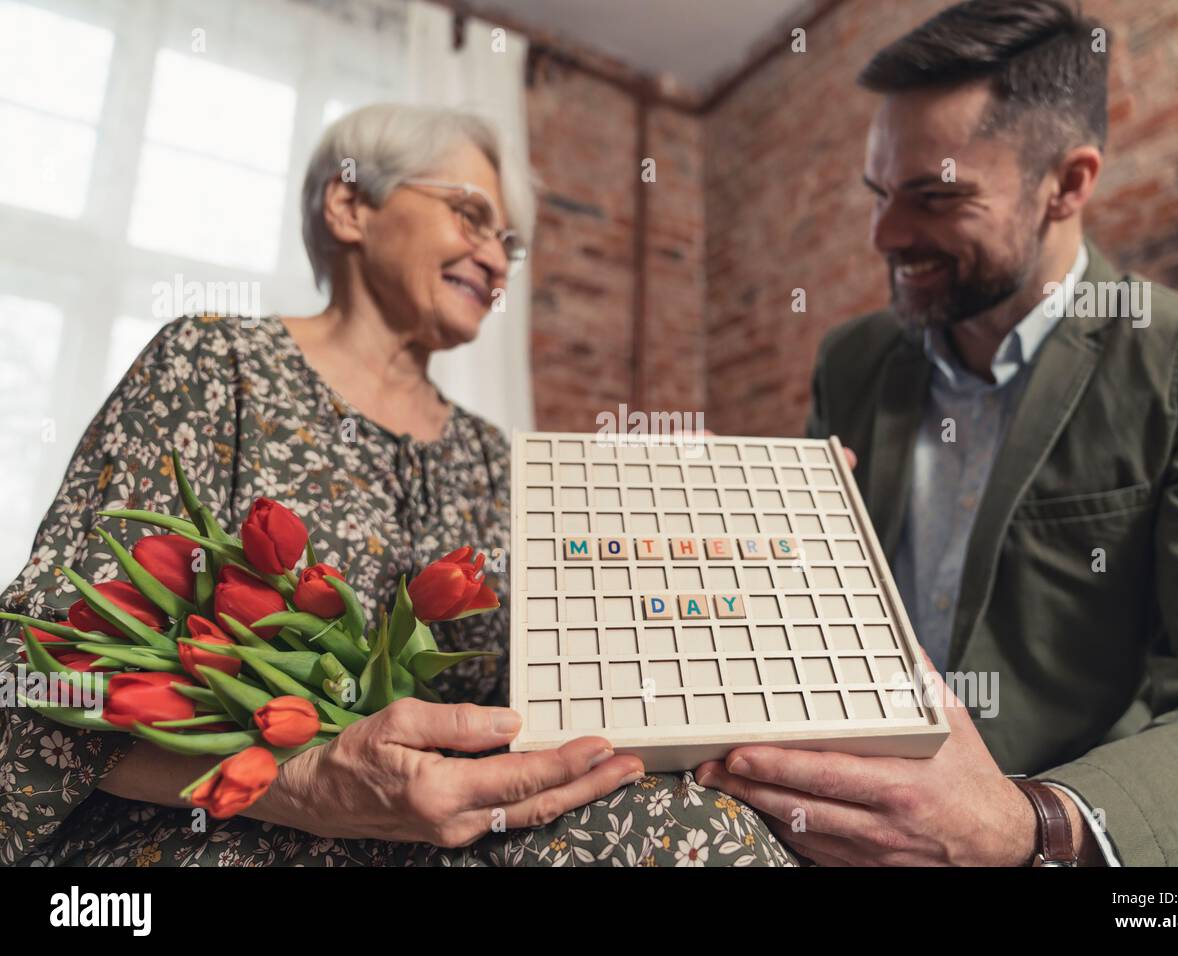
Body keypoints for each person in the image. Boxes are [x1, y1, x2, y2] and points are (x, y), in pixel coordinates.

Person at [0, 104, 795, 867]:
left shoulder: (491, 455)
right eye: (470, 216)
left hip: (442, 836)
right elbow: (34, 670)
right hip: (227, 826)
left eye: (509, 245)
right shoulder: (216, 364)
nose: (496, 259)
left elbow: (547, 687)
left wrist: (738, 546)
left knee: (697, 830)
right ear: (349, 204)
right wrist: (300, 784)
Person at [696, 0, 1178, 866]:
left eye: (934, 197)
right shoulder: (854, 360)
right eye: (879, 193)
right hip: (838, 803)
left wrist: (1027, 828)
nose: (885, 236)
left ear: (1069, 182)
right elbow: (806, 619)